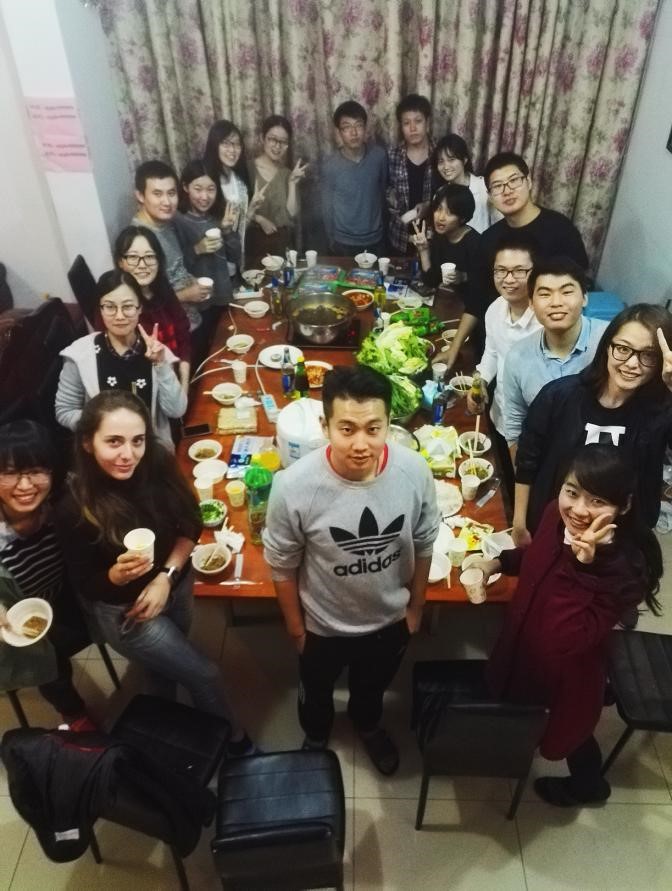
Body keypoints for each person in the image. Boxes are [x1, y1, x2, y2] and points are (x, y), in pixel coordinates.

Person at [263, 365, 440, 775]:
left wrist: (416, 607)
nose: (361, 444)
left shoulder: (414, 471)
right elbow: (281, 563)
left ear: (389, 424)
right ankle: (316, 734)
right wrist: (296, 629)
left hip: (389, 620)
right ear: (325, 426)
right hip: (322, 625)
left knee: (371, 688)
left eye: (373, 429)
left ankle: (368, 724)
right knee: (315, 692)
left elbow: (425, 540)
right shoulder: (293, 486)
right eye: (347, 429)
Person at [54, 390, 253, 752]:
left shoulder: (157, 461)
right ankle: (238, 746)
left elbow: (190, 523)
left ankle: (167, 738)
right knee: (205, 674)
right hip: (129, 611)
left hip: (175, 584)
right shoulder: (74, 508)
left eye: (137, 440)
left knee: (161, 672)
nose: (128, 454)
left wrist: (166, 576)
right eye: (113, 441)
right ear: (87, 443)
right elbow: (86, 584)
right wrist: (116, 575)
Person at [478, 445, 663, 806]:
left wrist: (581, 566)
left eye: (597, 501)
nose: (578, 509)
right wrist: (497, 563)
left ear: (624, 506)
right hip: (523, 644)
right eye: (572, 492)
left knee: (569, 733)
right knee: (519, 706)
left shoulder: (625, 570)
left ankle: (588, 787)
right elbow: (536, 556)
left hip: (566, 673)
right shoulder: (555, 514)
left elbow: (564, 636)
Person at [513, 303, 672, 545]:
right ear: (607, 347)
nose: (632, 363)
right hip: (554, 523)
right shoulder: (559, 396)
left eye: (648, 355)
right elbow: (527, 460)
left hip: (619, 540)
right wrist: (519, 522)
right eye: (623, 349)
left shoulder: (661, 412)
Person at [447, 151, 589, 369]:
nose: (507, 191)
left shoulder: (561, 230)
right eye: (497, 186)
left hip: (545, 349)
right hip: (495, 343)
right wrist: (454, 348)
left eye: (514, 181)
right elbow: (476, 299)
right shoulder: (489, 239)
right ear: (490, 196)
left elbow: (577, 291)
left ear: (529, 181)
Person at [0, 420, 94, 731]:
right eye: (10, 473)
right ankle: (74, 714)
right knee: (49, 664)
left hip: (63, 596)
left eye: (36, 471)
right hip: (15, 620)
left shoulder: (61, 505)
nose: (25, 485)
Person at [55, 269, 187, 452]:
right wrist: (101, 425)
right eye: (110, 307)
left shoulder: (156, 350)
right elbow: (65, 410)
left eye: (128, 306)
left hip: (152, 452)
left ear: (140, 308)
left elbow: (176, 410)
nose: (119, 316)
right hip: (104, 456)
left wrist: (160, 364)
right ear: (100, 309)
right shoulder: (79, 354)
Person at [500, 256, 607, 458]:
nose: (556, 302)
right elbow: (514, 426)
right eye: (545, 294)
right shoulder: (518, 357)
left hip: (601, 459)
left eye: (567, 292)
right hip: (544, 460)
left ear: (585, 297)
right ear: (531, 303)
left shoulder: (611, 343)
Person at [459, 233, 542, 495]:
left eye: (519, 271)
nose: (508, 279)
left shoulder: (545, 321)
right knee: (503, 480)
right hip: (500, 413)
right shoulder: (495, 308)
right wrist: (480, 382)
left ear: (535, 272)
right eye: (501, 270)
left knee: (529, 487)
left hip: (534, 428)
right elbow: (492, 354)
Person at [132, 160, 211, 334]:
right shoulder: (139, 241)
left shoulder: (166, 223)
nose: (167, 202)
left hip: (189, 322)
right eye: (157, 194)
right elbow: (142, 304)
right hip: (171, 335)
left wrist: (191, 281)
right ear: (140, 196)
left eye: (171, 193)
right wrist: (186, 294)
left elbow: (173, 274)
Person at [114, 225, 191, 391]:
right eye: (133, 257)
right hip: (145, 391)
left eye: (149, 256)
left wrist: (184, 387)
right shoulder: (116, 305)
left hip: (176, 381)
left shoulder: (162, 287)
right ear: (121, 262)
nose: (142, 265)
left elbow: (184, 336)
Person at [321, 100, 387, 256]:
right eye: (347, 127)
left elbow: (383, 192)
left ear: (365, 128)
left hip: (375, 240)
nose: (354, 132)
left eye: (358, 125)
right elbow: (326, 207)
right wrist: (331, 240)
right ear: (338, 132)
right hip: (343, 242)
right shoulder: (330, 165)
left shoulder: (379, 156)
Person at [175, 159, 241, 309]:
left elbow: (235, 256)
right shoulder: (178, 221)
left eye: (211, 189)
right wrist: (197, 249)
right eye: (198, 189)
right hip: (196, 303)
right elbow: (174, 269)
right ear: (185, 187)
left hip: (223, 294)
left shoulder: (219, 216)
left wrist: (227, 231)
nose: (204, 197)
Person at [246, 115, 308, 262]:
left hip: (281, 245)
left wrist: (292, 183)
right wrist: (259, 218)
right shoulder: (248, 169)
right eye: (273, 139)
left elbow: (291, 214)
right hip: (254, 245)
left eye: (283, 142)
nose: (277, 146)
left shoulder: (287, 173)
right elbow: (236, 210)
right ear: (262, 138)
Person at [410, 184, 480, 310]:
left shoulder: (475, 243)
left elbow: (484, 285)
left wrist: (463, 277)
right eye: (438, 209)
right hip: (446, 303)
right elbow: (431, 281)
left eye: (449, 213)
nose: (440, 217)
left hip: (469, 308)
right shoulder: (439, 237)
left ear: (462, 218)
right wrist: (424, 250)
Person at [387, 94, 435, 255]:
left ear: (427, 123)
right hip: (400, 239)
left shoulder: (440, 154)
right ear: (401, 127)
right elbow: (385, 194)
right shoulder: (392, 156)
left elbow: (451, 193)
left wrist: (429, 205)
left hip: (434, 238)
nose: (413, 128)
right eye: (406, 123)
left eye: (418, 121)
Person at [203, 119, 254, 271]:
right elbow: (198, 225)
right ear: (214, 145)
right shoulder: (205, 181)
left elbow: (240, 225)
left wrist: (251, 211)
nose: (232, 150)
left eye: (237, 144)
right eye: (226, 143)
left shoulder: (239, 179)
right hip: (212, 263)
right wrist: (222, 227)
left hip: (235, 258)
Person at [429, 134, 501, 233]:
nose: (446, 167)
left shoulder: (484, 186)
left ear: (465, 159)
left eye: (451, 160)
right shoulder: (440, 193)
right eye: (441, 161)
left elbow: (499, 224)